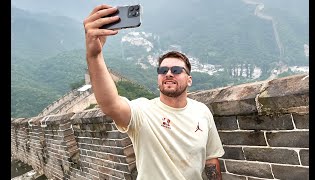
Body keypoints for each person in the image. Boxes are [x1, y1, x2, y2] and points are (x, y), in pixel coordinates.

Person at [83, 4, 225, 180]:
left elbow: (211, 160)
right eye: (163, 70)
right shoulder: (144, 111)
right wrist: (94, 56)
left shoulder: (202, 112)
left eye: (177, 70)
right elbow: (110, 104)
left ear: (189, 79)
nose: (169, 74)